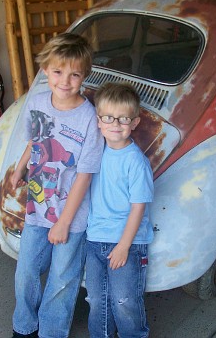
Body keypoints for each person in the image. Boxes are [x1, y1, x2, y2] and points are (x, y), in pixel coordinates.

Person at [10, 33, 104, 338]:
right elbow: (34, 142)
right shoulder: (36, 102)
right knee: (27, 271)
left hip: (70, 215)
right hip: (38, 206)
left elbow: (85, 175)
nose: (65, 80)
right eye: (58, 71)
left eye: (75, 74)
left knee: (62, 279)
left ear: (84, 76)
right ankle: (24, 326)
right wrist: (20, 168)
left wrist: (64, 223)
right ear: (46, 70)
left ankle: (51, 332)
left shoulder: (90, 118)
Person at [86, 82, 154, 338]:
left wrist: (124, 246)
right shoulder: (95, 151)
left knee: (124, 301)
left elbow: (138, 208)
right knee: (96, 299)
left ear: (134, 122)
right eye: (108, 117)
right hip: (95, 239)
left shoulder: (136, 162)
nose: (116, 124)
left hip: (128, 242)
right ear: (98, 120)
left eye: (124, 118)